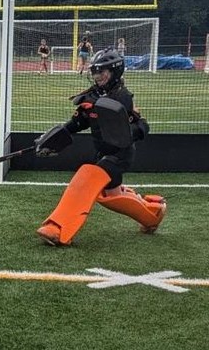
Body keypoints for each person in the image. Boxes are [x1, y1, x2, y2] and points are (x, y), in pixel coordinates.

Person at [34, 47, 166, 246]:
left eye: (102, 72)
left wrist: (131, 132)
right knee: (110, 196)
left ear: (114, 72)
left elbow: (142, 125)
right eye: (95, 72)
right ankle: (153, 213)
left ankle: (59, 227)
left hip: (120, 155)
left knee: (87, 176)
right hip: (102, 153)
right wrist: (53, 140)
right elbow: (77, 124)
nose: (97, 76)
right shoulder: (91, 96)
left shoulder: (122, 98)